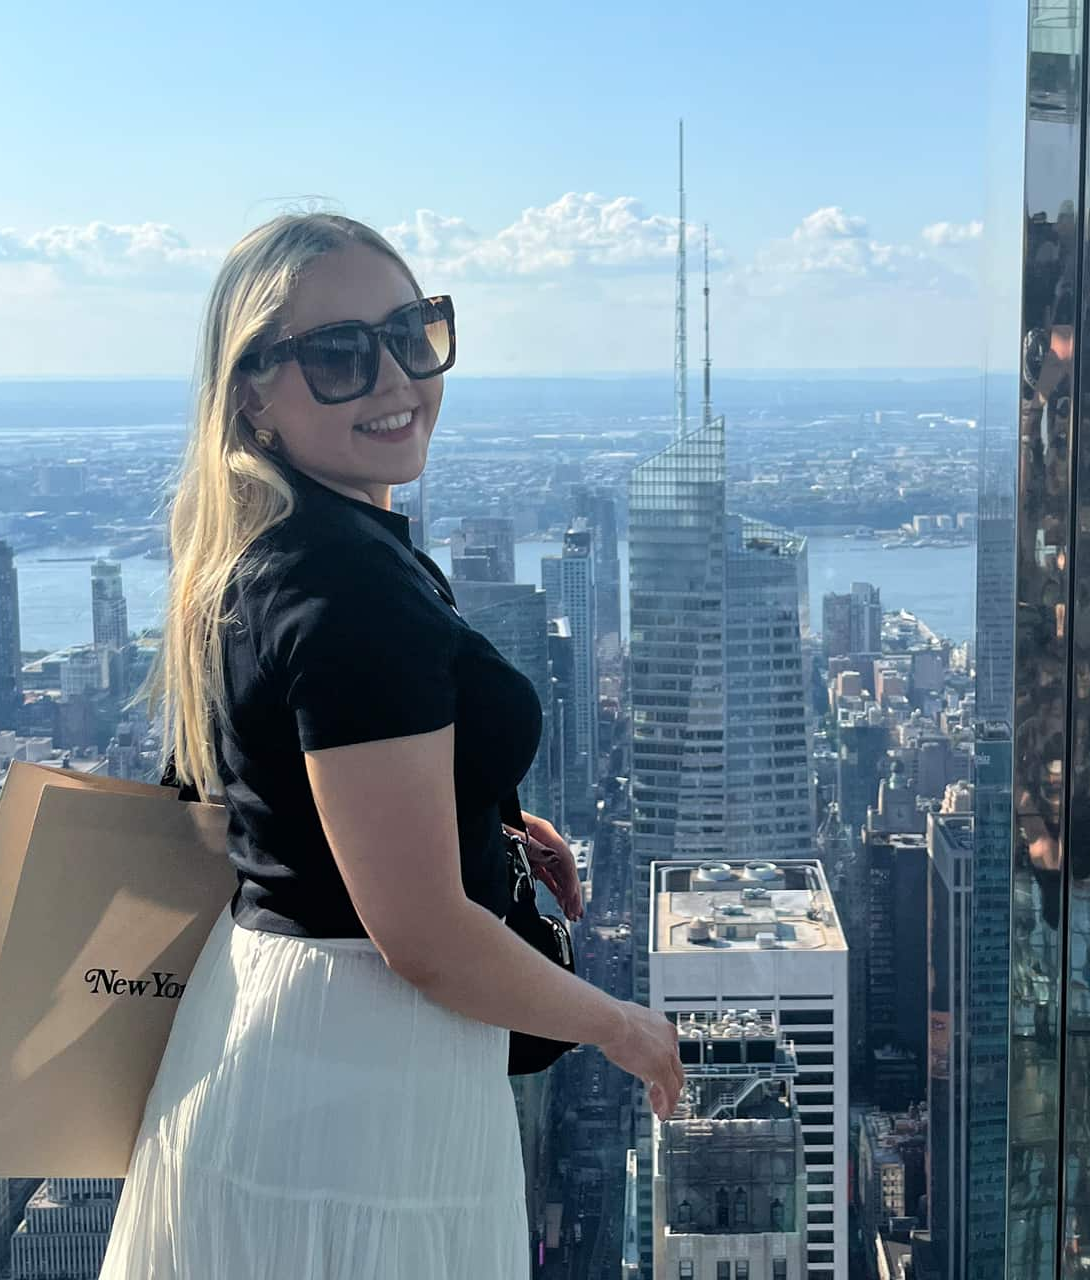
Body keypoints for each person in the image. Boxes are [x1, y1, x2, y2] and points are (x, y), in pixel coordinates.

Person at [101, 213, 683, 1279]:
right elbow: (418, 933)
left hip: (279, 1032)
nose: (395, 377)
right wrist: (622, 1026)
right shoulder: (349, 584)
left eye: (414, 332)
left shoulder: (266, 550)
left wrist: (475, 818)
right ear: (252, 394)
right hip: (363, 1074)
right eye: (338, 354)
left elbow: (277, 789)